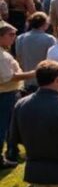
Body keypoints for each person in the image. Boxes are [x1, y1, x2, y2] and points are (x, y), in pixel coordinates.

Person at [0, 21, 36, 167]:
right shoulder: (1, 55)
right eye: (10, 34)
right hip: (5, 95)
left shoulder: (4, 52)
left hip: (8, 94)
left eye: (15, 34)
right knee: (3, 127)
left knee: (10, 126)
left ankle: (12, 152)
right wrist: (32, 74)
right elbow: (8, 77)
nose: (14, 37)